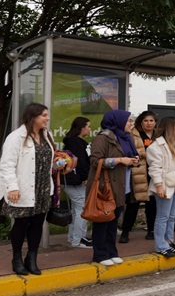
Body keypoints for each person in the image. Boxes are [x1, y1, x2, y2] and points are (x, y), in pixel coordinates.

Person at [0, 103, 62, 275]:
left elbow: (44, 161)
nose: (48, 118)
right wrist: (12, 187)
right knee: (21, 224)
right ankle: (16, 258)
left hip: (43, 188)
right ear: (33, 117)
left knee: (37, 224)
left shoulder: (47, 135)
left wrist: (58, 164)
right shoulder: (16, 137)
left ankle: (31, 258)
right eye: (44, 115)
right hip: (22, 188)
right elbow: (6, 165)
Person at [87, 110, 139, 266]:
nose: (131, 124)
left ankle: (111, 251)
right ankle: (100, 254)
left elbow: (129, 156)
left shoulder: (126, 137)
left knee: (113, 221)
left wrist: (134, 160)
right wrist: (120, 160)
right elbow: (96, 161)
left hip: (123, 186)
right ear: (118, 121)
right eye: (129, 121)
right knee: (103, 221)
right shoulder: (102, 138)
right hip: (106, 186)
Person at [146, 116, 175, 257]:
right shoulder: (156, 146)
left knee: (172, 216)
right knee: (162, 216)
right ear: (171, 128)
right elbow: (154, 168)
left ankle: (169, 242)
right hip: (164, 184)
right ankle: (160, 245)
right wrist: (159, 186)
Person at [119, 111, 155, 243]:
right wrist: (143, 154)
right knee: (133, 204)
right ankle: (125, 231)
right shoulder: (133, 134)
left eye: (151, 120)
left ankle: (151, 230)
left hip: (153, 173)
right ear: (141, 122)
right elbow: (129, 150)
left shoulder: (158, 135)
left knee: (152, 204)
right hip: (138, 173)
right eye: (146, 120)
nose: (149, 123)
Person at [62, 117, 92, 249]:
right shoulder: (76, 143)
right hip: (74, 180)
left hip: (69, 180)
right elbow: (82, 162)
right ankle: (78, 239)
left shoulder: (72, 141)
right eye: (88, 126)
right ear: (81, 127)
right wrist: (86, 176)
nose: (89, 129)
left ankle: (73, 238)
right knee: (82, 209)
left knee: (76, 209)